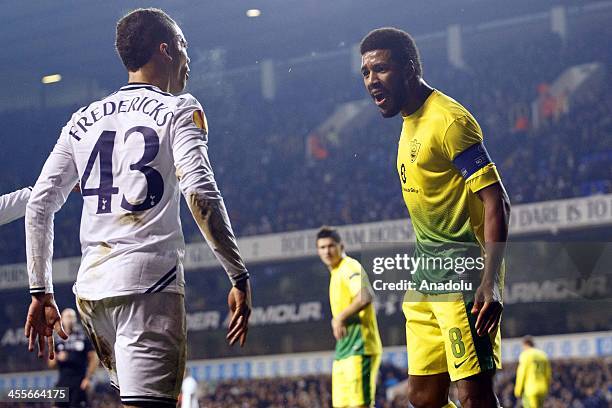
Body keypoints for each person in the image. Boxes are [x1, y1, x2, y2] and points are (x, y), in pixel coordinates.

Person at [23, 8, 251, 408]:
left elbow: (40, 203)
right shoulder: (180, 108)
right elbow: (200, 192)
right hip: (149, 287)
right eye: (183, 47)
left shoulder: (81, 120)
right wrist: (238, 273)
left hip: (91, 295)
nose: (188, 58)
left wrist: (40, 290)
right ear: (164, 50)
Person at [360, 28, 511, 408]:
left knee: (474, 395)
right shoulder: (409, 120)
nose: (371, 81)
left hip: (462, 278)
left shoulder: (449, 120)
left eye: (381, 69)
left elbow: (497, 201)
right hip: (425, 278)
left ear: (409, 69)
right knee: (423, 397)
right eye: (365, 72)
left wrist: (489, 284)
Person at [316, 226, 382, 408]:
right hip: (343, 350)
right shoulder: (335, 273)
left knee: (361, 405)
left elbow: (365, 295)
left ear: (341, 246)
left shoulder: (349, 267)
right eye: (322, 247)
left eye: (330, 246)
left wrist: (339, 318)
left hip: (360, 347)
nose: (327, 251)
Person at [48, 308, 99, 408]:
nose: (70, 319)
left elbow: (94, 358)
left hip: (79, 382)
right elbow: (51, 363)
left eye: (72, 317)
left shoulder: (83, 335)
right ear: (61, 319)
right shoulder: (57, 338)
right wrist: (57, 357)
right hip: (62, 381)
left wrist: (88, 379)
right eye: (67, 317)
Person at [514, 336, 551, 408]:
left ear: (525, 344)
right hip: (542, 389)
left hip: (530, 389)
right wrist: (547, 388)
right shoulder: (543, 355)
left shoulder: (525, 355)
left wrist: (518, 391)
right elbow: (548, 375)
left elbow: (522, 374)